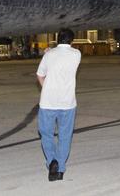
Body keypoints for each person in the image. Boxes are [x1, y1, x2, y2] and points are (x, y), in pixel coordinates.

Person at [36, 28, 82, 181]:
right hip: (67, 102)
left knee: (46, 133)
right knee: (65, 135)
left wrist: (47, 88)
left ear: (57, 38)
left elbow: (40, 75)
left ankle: (52, 161)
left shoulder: (49, 55)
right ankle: (60, 169)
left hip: (48, 102)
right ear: (71, 41)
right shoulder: (77, 55)